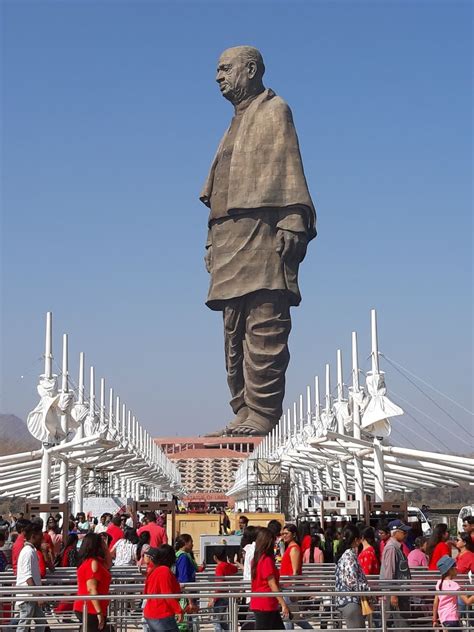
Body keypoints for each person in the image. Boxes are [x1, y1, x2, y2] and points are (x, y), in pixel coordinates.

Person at [202, 46, 316, 437]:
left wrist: (292, 218)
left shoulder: (274, 110)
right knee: (232, 331)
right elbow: (219, 187)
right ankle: (243, 409)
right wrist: (210, 243)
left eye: (224, 68)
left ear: (250, 69)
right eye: (216, 69)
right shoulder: (233, 123)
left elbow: (288, 167)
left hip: (263, 234)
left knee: (265, 324)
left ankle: (264, 414)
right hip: (228, 238)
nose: (218, 76)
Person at [250, 527, 289, 629]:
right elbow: (272, 584)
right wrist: (283, 603)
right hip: (266, 603)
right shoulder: (266, 560)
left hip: (261, 601)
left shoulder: (256, 559)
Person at [73, 532, 112, 632]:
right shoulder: (93, 563)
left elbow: (108, 564)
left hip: (91, 607)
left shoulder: (93, 561)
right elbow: (91, 588)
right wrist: (99, 612)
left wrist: (106, 548)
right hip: (91, 608)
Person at [334, 524, 370, 631]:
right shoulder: (350, 556)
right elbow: (352, 581)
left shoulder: (344, 556)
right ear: (356, 540)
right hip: (352, 602)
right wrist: (368, 589)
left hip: (346, 600)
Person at [143, 544, 185, 632]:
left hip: (151, 613)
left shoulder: (153, 570)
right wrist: (178, 610)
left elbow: (146, 591)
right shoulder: (164, 571)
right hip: (161, 613)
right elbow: (167, 594)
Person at [379, 519, 412, 630]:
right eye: (403, 532)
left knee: (401, 624)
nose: (406, 534)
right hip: (396, 593)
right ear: (395, 532)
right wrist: (393, 594)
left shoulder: (396, 547)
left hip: (399, 592)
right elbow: (389, 573)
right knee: (401, 624)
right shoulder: (392, 549)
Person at [280, 524, 312, 630]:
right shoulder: (289, 547)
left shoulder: (294, 549)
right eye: (282, 534)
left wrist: (293, 589)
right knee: (294, 616)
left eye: (286, 533)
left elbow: (295, 571)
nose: (284, 536)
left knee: (288, 616)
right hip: (286, 586)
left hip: (289, 587)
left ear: (293, 534)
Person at [15, 523, 46, 632]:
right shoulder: (28, 552)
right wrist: (38, 596)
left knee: (40, 622)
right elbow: (28, 576)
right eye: (40, 536)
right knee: (24, 625)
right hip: (28, 596)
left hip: (31, 595)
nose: (41, 539)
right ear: (33, 536)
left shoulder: (29, 551)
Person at [432, 555, 474, 629]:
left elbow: (435, 603)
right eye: (455, 567)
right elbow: (467, 601)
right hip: (453, 618)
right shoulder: (454, 585)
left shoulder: (439, 583)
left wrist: (434, 620)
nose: (457, 569)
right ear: (450, 570)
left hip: (443, 619)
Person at [209, 547, 238, 632]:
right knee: (222, 619)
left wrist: (213, 599)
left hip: (220, 596)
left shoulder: (219, 567)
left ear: (215, 557)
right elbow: (235, 569)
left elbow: (219, 583)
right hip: (227, 595)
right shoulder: (227, 565)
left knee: (216, 619)